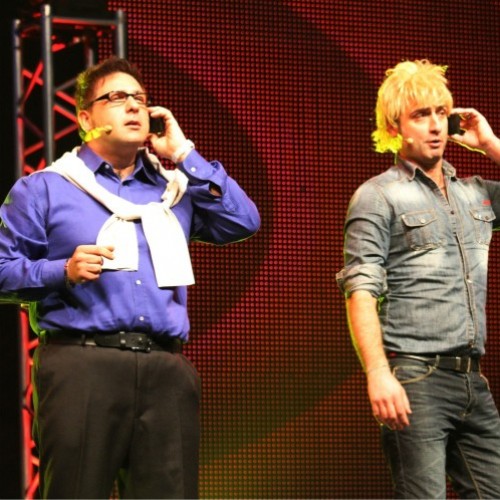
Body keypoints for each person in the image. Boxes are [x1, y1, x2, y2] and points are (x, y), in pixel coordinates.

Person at [0, 56, 260, 499]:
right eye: (117, 97)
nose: (135, 106)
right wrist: (61, 271)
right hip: (83, 364)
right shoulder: (46, 187)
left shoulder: (171, 190)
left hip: (165, 369)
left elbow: (243, 222)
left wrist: (184, 153)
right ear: (86, 118)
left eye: (140, 98)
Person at [336, 59, 500, 498]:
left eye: (441, 113)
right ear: (395, 127)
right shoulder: (378, 196)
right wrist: (378, 373)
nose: (435, 125)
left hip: (472, 379)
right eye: (420, 115)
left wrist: (490, 144)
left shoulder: (476, 193)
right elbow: (360, 290)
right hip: (415, 376)